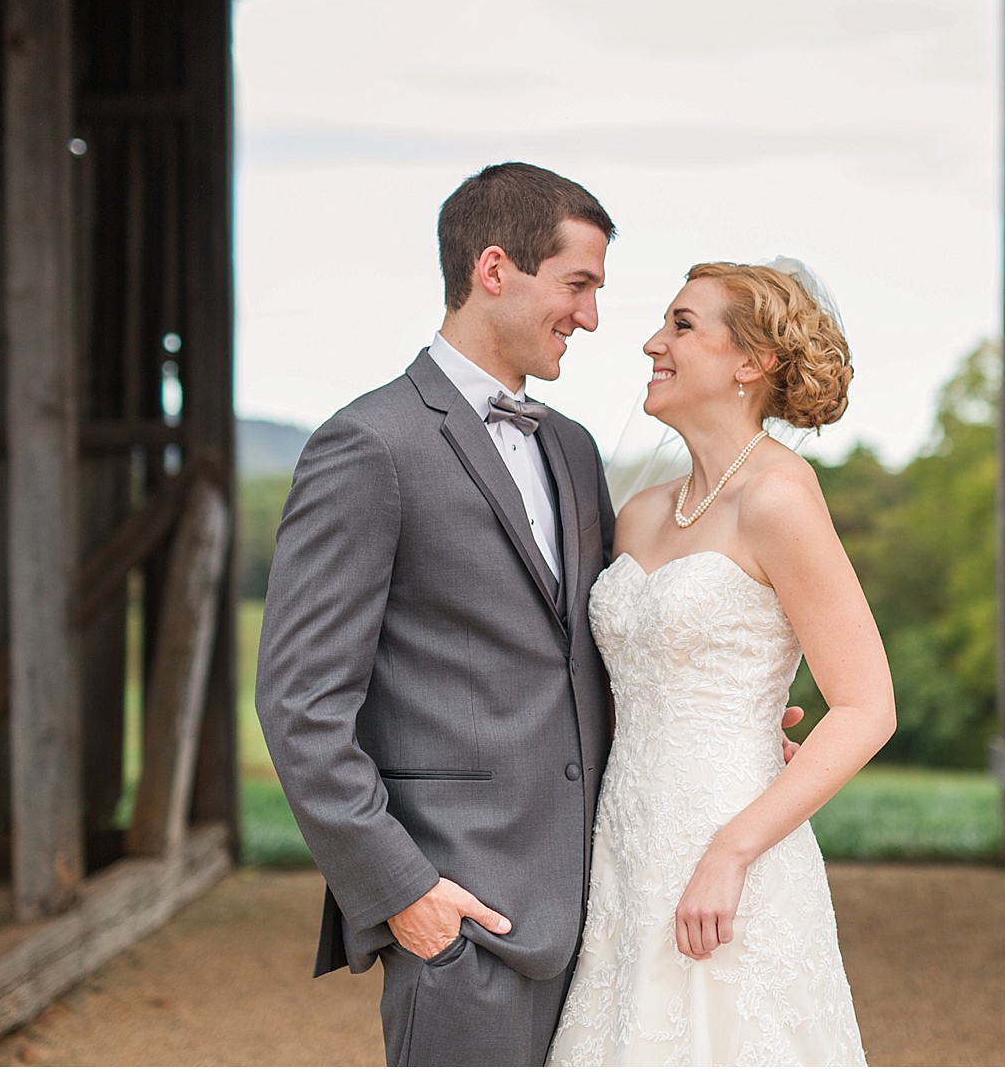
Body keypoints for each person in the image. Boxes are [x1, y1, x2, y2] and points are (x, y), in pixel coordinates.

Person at [255, 162, 621, 1067]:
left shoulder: (572, 449)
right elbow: (300, 702)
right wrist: (404, 892)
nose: (591, 316)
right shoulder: (368, 443)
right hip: (464, 922)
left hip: (605, 910)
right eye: (577, 284)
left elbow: (591, 650)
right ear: (494, 269)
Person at [547, 261, 896, 1066]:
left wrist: (732, 849)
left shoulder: (778, 496)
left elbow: (867, 705)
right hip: (625, 847)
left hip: (730, 851)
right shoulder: (635, 515)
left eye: (680, 325)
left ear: (752, 362)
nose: (649, 343)